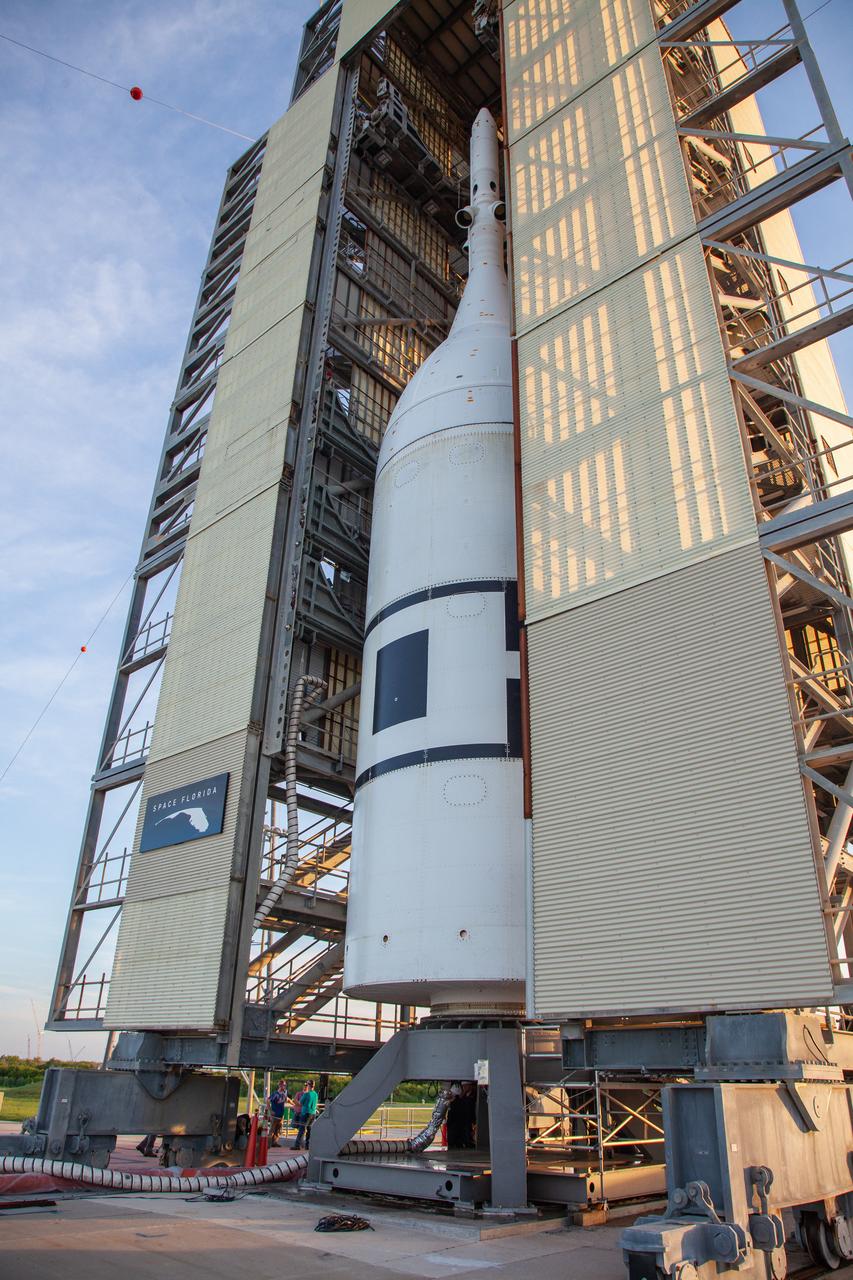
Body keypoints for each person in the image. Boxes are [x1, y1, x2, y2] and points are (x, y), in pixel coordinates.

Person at [292, 1078, 318, 1149]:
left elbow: (300, 1103)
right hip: (313, 1114)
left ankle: (297, 1146)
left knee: (302, 1130)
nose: (306, 1086)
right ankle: (307, 1146)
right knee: (309, 1130)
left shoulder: (306, 1094)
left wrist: (294, 1101)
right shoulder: (315, 1094)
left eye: (306, 1084)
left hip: (305, 1113)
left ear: (309, 1085)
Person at [269, 1079, 289, 1146]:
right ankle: (268, 1143)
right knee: (272, 1130)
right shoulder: (275, 1094)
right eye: (284, 1085)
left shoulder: (284, 1094)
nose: (285, 1086)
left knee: (278, 1130)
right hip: (275, 1115)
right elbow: (267, 1101)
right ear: (280, 1085)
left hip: (281, 1115)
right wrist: (270, 1110)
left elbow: (287, 1100)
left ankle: (275, 1142)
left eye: (285, 1085)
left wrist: (294, 1104)